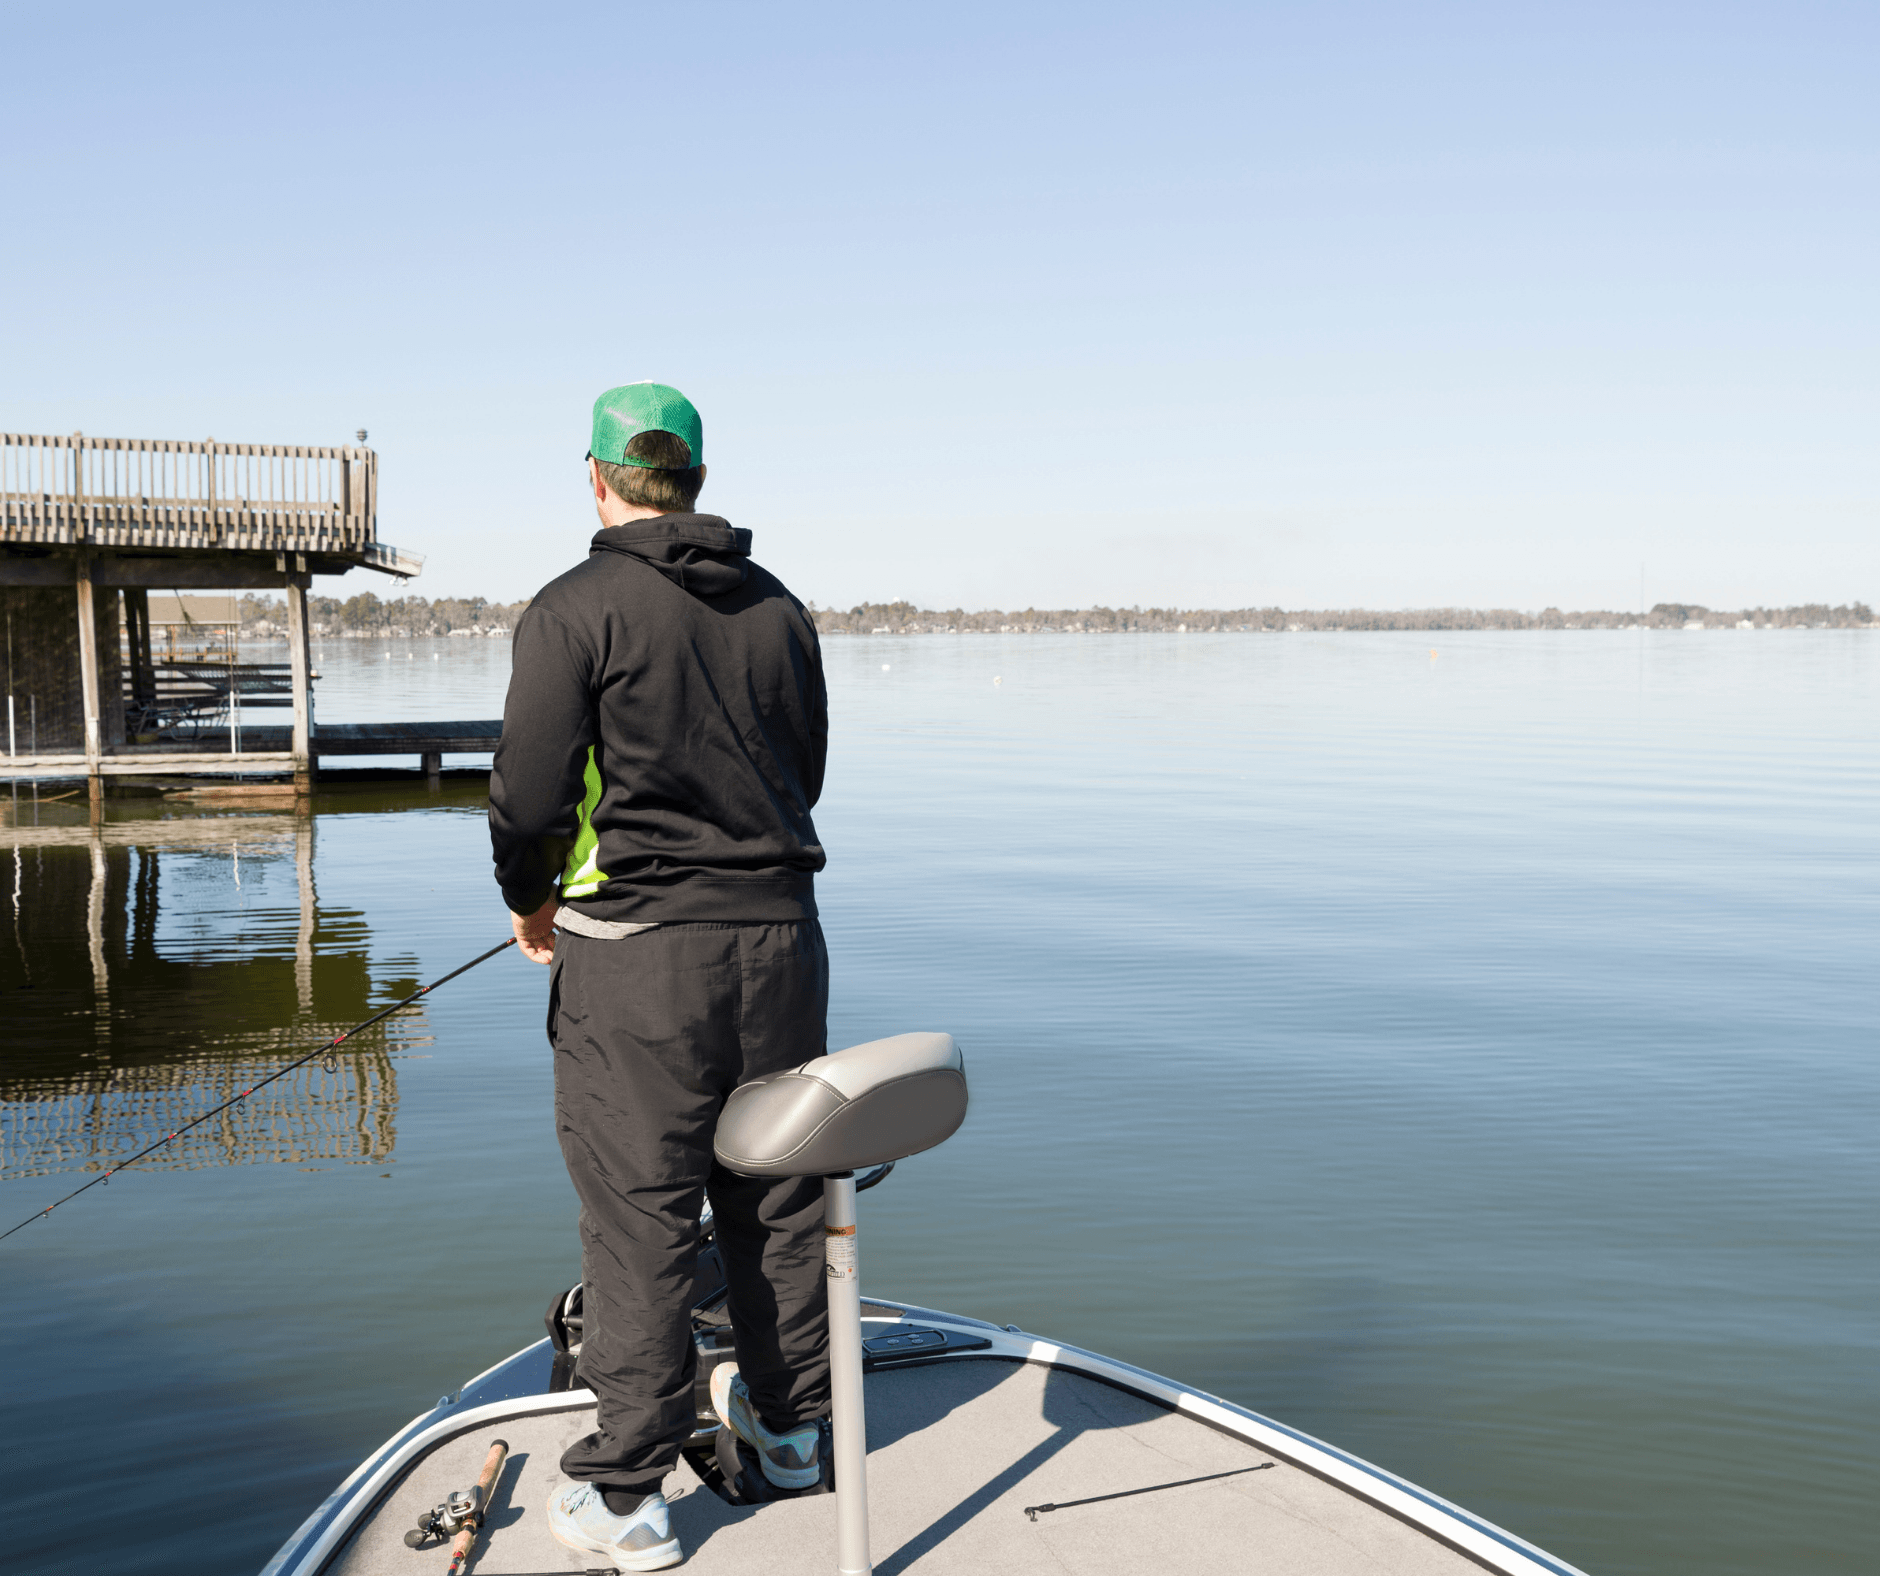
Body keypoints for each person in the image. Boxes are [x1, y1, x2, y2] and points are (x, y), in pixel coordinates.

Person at [489, 382, 832, 1567]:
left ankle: (627, 1492)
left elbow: (527, 801)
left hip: (635, 963)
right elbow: (808, 771)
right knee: (777, 1193)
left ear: (595, 476)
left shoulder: (572, 608)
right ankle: (789, 1435)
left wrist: (534, 907)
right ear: (692, 474)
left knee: (640, 1209)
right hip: (783, 943)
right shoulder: (780, 608)